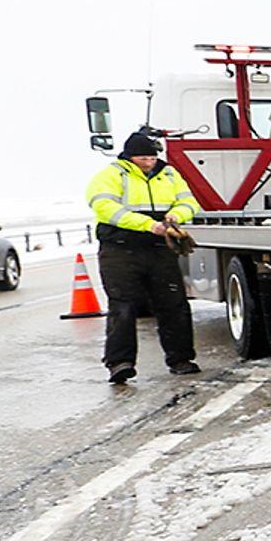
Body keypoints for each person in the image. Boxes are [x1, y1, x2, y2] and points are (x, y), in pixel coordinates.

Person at [85, 131, 201, 384]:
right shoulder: (112, 174)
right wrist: (148, 225)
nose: (148, 163)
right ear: (130, 157)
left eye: (151, 157)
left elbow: (189, 201)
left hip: (160, 250)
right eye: (142, 158)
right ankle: (120, 363)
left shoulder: (168, 174)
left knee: (174, 304)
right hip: (120, 250)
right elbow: (104, 208)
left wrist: (175, 217)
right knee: (124, 306)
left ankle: (181, 359)